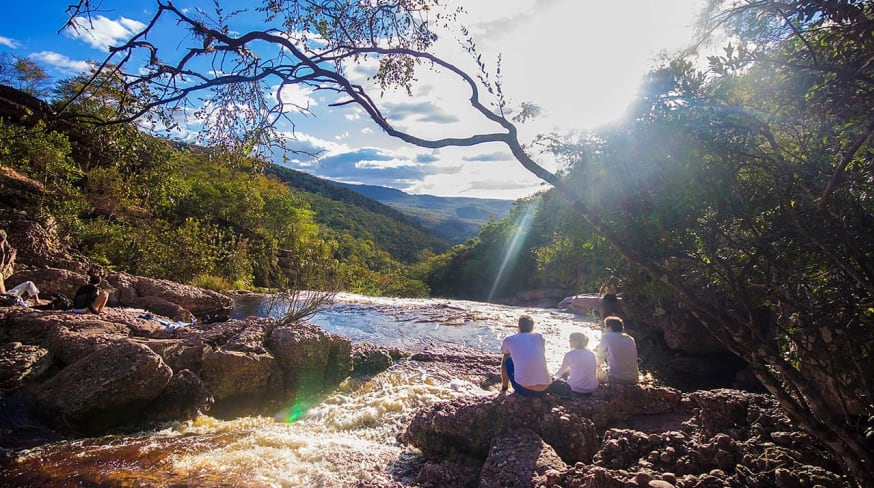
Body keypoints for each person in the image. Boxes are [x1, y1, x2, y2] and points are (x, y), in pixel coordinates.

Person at [500, 315, 551, 396]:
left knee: (507, 358)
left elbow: (504, 351)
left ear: (518, 326)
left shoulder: (509, 339)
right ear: (532, 327)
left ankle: (504, 387)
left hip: (524, 390)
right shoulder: (539, 337)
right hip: (545, 388)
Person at [596, 316, 639, 384]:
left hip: (616, 378)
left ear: (609, 327)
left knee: (594, 369)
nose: (605, 329)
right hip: (634, 378)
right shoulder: (630, 338)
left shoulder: (606, 337)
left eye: (605, 327)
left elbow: (599, 358)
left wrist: (597, 366)